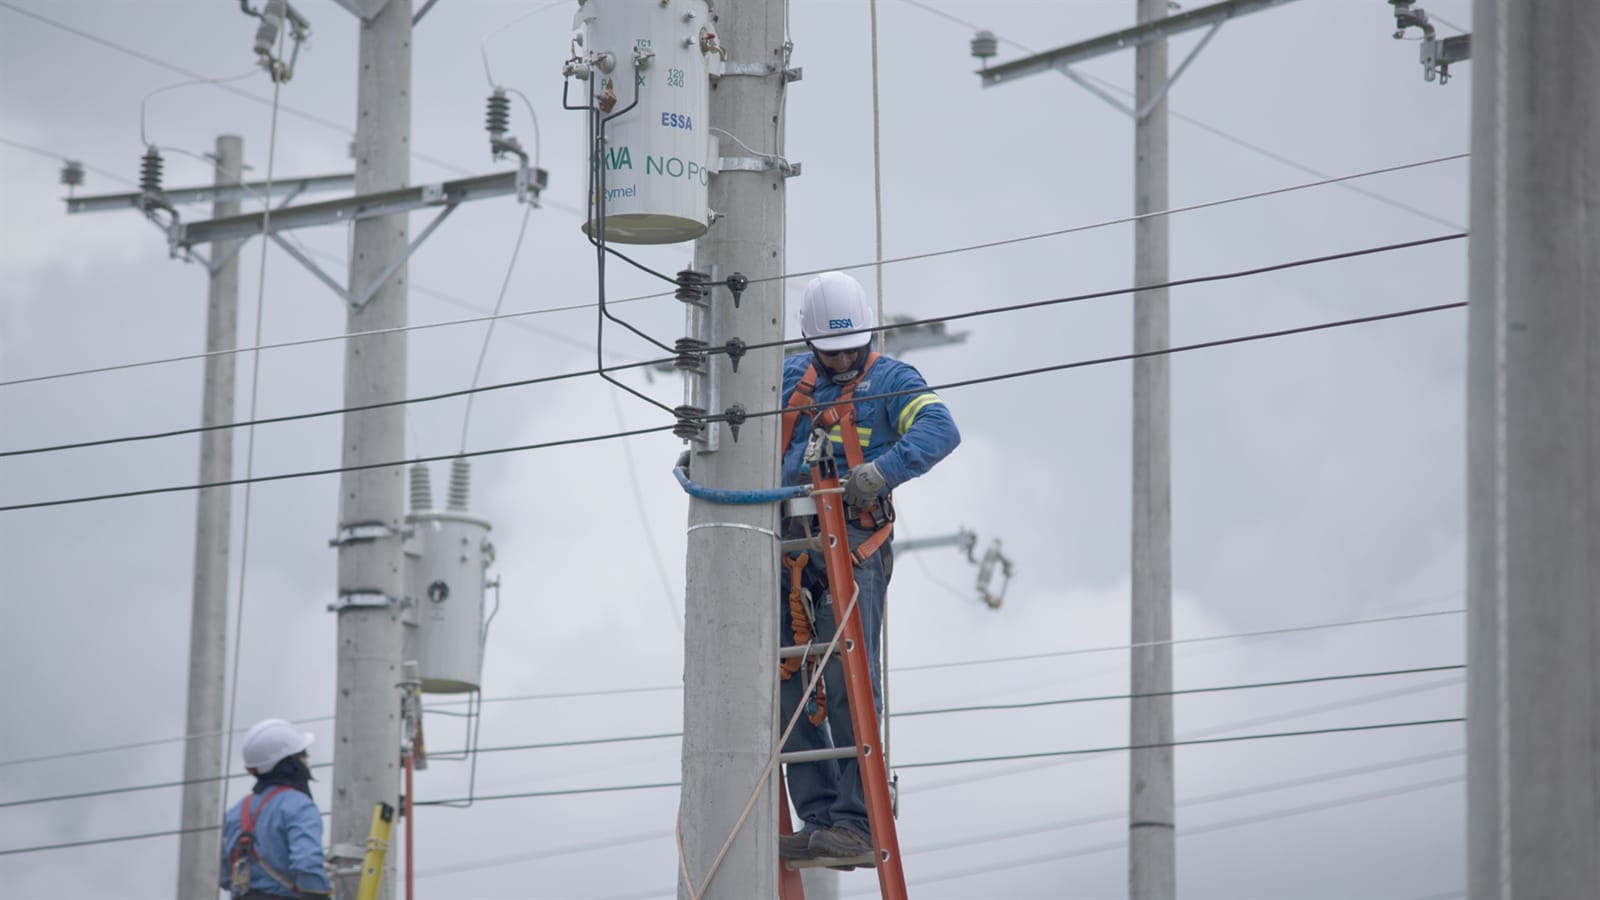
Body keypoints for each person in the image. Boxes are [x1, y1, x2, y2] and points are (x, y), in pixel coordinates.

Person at [776, 271, 960, 865]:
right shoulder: (788, 380)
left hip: (854, 544)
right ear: (810, 345)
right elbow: (751, 438)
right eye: (833, 351)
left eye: (854, 345)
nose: (846, 357)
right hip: (790, 546)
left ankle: (853, 822)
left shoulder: (892, 380)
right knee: (790, 682)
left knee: (845, 682)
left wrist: (883, 471)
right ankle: (820, 816)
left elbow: (940, 428)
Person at [219, 719, 331, 900]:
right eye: (303, 754)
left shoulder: (236, 812)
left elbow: (225, 876)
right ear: (291, 763)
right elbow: (308, 865)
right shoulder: (299, 806)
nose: (307, 760)